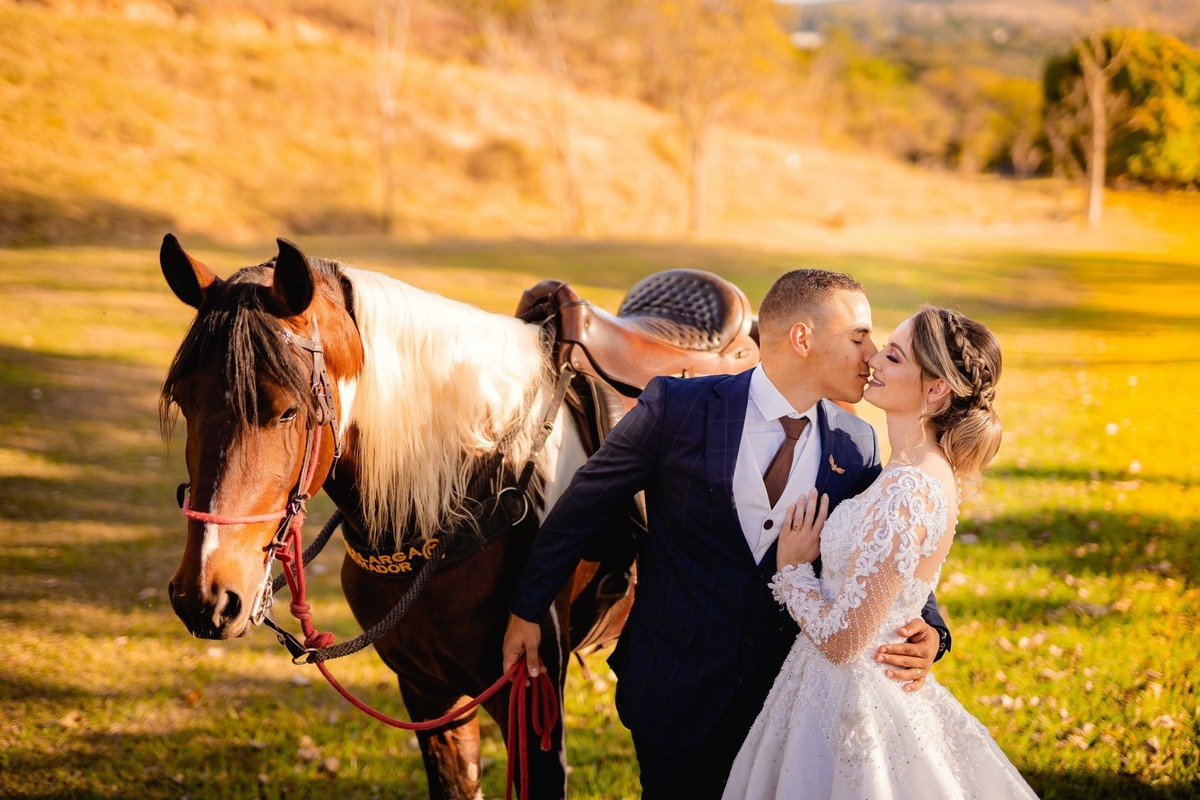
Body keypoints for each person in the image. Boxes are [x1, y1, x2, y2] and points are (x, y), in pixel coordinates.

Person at [502, 270, 952, 799]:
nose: (871, 354)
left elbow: (884, 542)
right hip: (674, 688)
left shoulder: (856, 443)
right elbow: (582, 507)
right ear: (803, 339)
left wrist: (931, 626)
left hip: (786, 702)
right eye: (859, 336)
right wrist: (527, 609)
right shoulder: (678, 409)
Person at [722, 306, 1038, 799]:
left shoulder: (909, 489)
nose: (873, 360)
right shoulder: (904, 471)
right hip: (835, 685)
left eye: (893, 355)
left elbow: (847, 643)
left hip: (853, 694)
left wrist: (792, 573)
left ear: (935, 389)